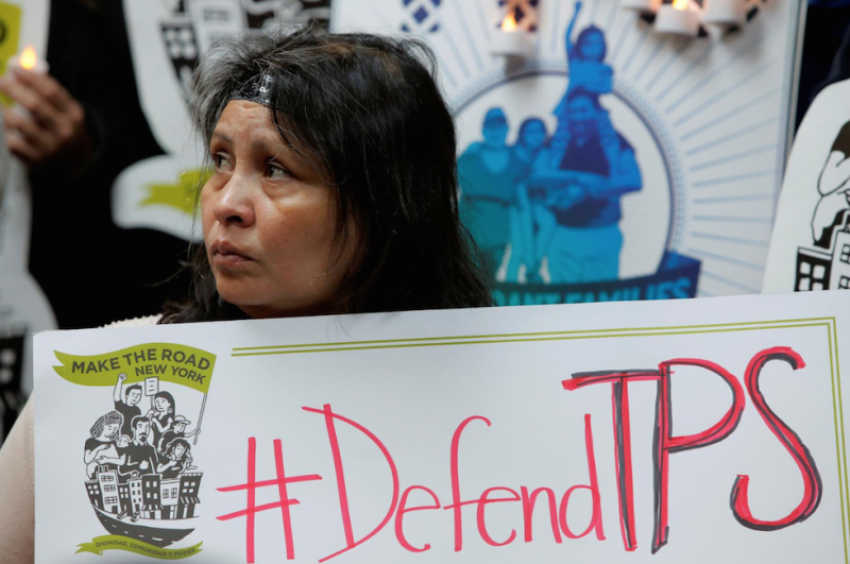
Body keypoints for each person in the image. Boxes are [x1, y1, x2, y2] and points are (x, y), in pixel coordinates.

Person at [0, 27, 492, 561]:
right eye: (221, 161)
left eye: (276, 169)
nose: (225, 203)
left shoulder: (505, 395)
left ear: (390, 206)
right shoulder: (108, 381)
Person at [531, 88, 642, 284]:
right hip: (563, 233)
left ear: (596, 112)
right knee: (563, 303)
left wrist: (587, 191)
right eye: (572, 111)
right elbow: (536, 175)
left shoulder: (614, 142)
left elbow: (634, 180)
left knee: (602, 303)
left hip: (602, 233)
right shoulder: (555, 142)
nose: (578, 117)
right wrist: (578, 177)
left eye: (583, 110)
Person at [458, 108, 530, 281]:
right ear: (483, 130)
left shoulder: (517, 161)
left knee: (489, 280)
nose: (495, 131)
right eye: (490, 127)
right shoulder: (469, 158)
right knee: (466, 278)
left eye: (499, 126)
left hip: (498, 233)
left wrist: (528, 244)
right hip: (468, 230)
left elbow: (523, 204)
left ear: (507, 129)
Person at [83, 412, 125, 479]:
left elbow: (122, 461)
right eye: (109, 427)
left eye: (115, 428)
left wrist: (107, 460)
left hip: (114, 476)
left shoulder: (117, 443)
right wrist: (99, 448)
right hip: (95, 476)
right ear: (103, 425)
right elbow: (87, 460)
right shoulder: (91, 442)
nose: (112, 431)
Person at [112, 374, 145, 438]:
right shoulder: (121, 406)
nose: (136, 397)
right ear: (127, 395)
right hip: (120, 436)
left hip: (132, 437)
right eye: (133, 394)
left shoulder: (137, 410)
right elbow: (116, 396)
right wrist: (120, 381)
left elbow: (139, 423)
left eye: (138, 395)